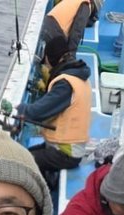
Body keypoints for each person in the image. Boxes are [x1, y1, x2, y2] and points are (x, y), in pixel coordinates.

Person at [16, 34, 92, 193]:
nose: (47, 67)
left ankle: (40, 197)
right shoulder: (77, 74)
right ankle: (47, 186)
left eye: (47, 61)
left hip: (66, 152)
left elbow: (37, 112)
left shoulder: (65, 84)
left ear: (52, 58)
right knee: (25, 154)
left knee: (21, 162)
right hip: (64, 147)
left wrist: (19, 108)